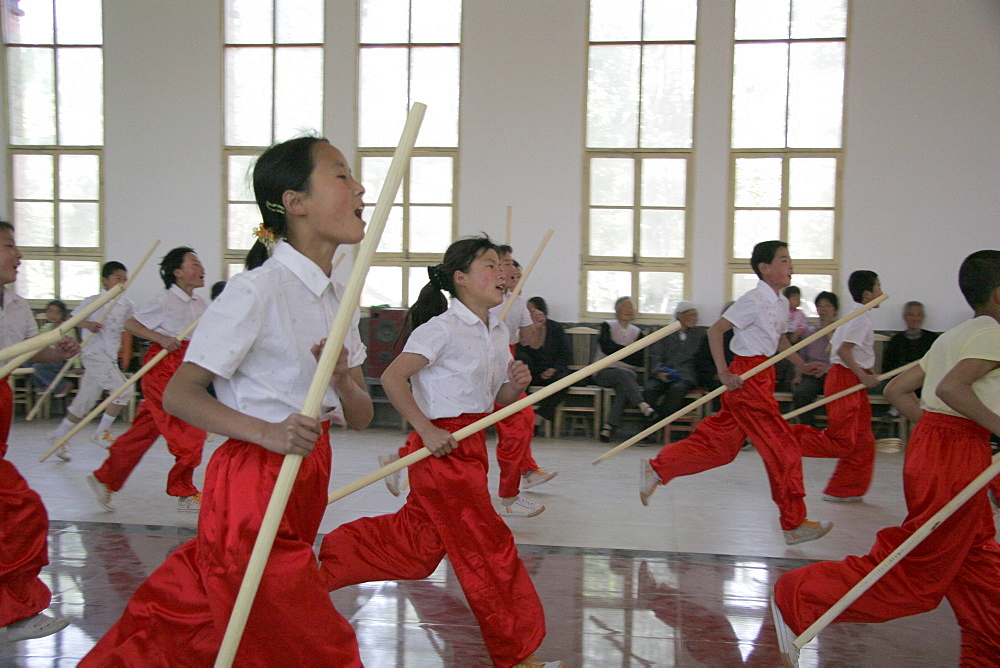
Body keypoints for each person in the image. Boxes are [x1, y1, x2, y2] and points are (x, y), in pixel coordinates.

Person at [81, 135, 372, 665]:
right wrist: (269, 432)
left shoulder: (340, 300)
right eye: (341, 175)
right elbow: (178, 393)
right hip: (254, 476)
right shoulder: (256, 291)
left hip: (308, 467)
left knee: (197, 614)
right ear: (295, 201)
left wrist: (346, 380)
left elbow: (360, 417)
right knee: (308, 638)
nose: (359, 187)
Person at [319, 235, 563, 668]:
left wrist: (515, 387)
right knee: (488, 547)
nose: (501, 274)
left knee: (416, 549)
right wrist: (426, 429)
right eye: (490, 265)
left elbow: (494, 401)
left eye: (502, 266)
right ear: (461, 278)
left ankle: (322, 565)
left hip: (469, 445)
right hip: (442, 453)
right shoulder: (440, 328)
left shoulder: (496, 329)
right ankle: (517, 653)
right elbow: (394, 379)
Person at [771, 250, 1000, 667]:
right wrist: (967, 430)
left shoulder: (955, 335)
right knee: (919, 574)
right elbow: (952, 389)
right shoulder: (993, 334)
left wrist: (938, 429)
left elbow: (898, 391)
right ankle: (800, 595)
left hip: (938, 445)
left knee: (978, 561)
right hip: (957, 452)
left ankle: (990, 649)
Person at [640, 241, 831, 545]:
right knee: (783, 448)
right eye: (784, 260)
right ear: (765, 268)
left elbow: (780, 341)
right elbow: (716, 331)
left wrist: (801, 366)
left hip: (763, 374)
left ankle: (658, 468)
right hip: (747, 378)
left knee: (721, 447)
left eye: (790, 259)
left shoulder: (781, 304)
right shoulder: (752, 300)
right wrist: (724, 372)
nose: (791, 265)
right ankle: (793, 523)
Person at [0, 220, 79, 643]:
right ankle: (12, 614)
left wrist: (57, 349)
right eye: (9, 246)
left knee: (15, 514)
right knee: (20, 510)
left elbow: (31, 349)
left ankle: (11, 612)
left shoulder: (13, 304)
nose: (18, 255)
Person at [86, 247, 207, 512]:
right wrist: (161, 338)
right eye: (194, 264)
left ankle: (104, 478)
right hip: (162, 369)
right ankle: (184, 492)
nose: (201, 269)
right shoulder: (164, 301)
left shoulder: (200, 304)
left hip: (185, 368)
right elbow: (130, 324)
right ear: (176, 272)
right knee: (191, 431)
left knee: (141, 433)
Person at [791, 272, 882, 503]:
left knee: (863, 440)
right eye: (878, 287)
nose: (882, 292)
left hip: (848, 377)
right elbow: (841, 351)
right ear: (868, 294)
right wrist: (862, 374)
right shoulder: (860, 317)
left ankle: (844, 489)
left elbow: (831, 349)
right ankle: (781, 438)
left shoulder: (854, 315)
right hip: (847, 379)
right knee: (842, 440)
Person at [46, 262, 133, 452]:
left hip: (109, 356)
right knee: (124, 390)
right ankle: (102, 432)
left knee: (85, 400)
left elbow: (131, 326)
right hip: (94, 354)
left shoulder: (126, 304)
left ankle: (57, 436)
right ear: (105, 281)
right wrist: (87, 324)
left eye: (125, 279)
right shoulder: (94, 300)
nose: (122, 282)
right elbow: (71, 319)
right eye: (117, 278)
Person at [592, 296, 655, 442]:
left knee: (623, 387)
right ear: (617, 310)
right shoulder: (607, 326)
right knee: (623, 374)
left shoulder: (638, 332)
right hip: (604, 372)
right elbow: (607, 347)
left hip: (628, 376)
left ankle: (608, 427)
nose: (629, 310)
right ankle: (642, 404)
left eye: (631, 307)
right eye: (625, 307)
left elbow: (638, 359)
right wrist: (628, 352)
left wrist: (618, 353)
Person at [643, 300, 706, 428]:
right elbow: (655, 356)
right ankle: (649, 428)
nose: (695, 319)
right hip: (665, 373)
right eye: (691, 315)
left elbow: (702, 360)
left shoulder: (699, 335)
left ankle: (658, 423)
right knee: (649, 390)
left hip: (686, 376)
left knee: (676, 390)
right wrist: (659, 372)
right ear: (679, 315)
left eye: (696, 315)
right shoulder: (665, 333)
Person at [515, 296, 572, 424]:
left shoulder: (555, 328)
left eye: (532, 310)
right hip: (530, 372)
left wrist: (554, 368)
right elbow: (519, 352)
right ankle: (521, 415)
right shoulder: (523, 329)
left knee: (565, 379)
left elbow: (565, 354)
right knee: (519, 367)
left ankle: (539, 417)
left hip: (551, 371)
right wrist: (533, 330)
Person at [789, 291, 838, 427]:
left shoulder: (841, 330)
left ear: (835, 309)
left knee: (840, 398)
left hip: (834, 374)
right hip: (812, 373)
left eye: (828, 306)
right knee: (801, 394)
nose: (824, 309)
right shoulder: (810, 332)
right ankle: (810, 430)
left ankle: (835, 434)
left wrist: (828, 328)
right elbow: (802, 357)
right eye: (820, 306)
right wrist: (798, 375)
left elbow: (839, 352)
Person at [26, 299, 76, 400]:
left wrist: (77, 365)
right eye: (50, 312)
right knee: (26, 363)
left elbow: (75, 348)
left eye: (57, 312)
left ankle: (63, 385)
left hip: (62, 359)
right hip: (47, 357)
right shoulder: (45, 328)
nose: (53, 315)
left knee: (39, 367)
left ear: (63, 315)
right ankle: (42, 385)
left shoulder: (67, 328)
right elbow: (37, 343)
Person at [882, 300, 939, 373]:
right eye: (911, 314)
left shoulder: (932, 339)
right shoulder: (896, 341)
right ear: (904, 317)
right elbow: (887, 368)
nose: (915, 319)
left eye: (919, 315)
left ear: (923, 318)